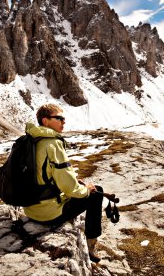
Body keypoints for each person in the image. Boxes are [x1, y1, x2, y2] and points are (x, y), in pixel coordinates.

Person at [23, 103, 104, 263]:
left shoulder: (30, 140)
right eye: (59, 118)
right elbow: (69, 188)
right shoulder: (53, 144)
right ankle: (91, 245)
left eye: (64, 118)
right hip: (48, 214)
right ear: (45, 121)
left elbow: (44, 174)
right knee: (96, 192)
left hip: (31, 209)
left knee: (85, 189)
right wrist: (86, 189)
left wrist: (72, 180)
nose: (63, 122)